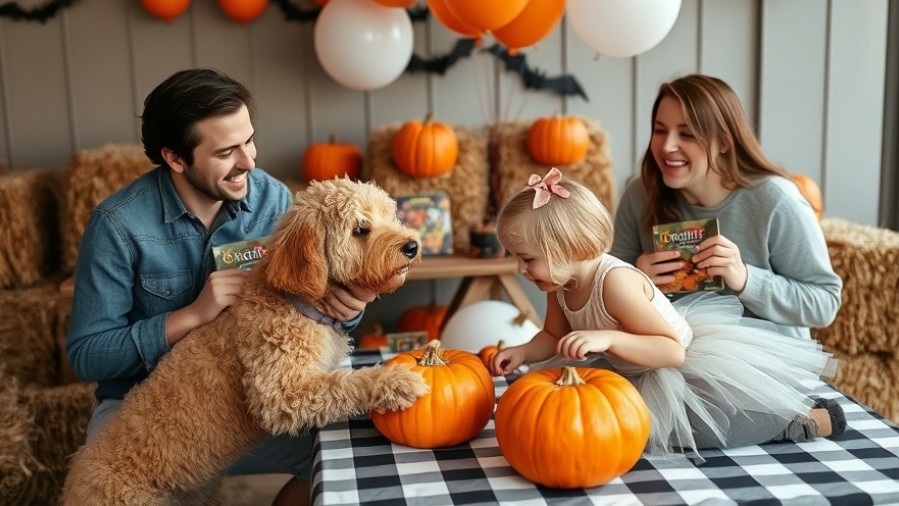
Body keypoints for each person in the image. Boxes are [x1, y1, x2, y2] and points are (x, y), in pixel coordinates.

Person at [66, 68, 374, 505]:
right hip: (146, 412)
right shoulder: (117, 226)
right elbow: (88, 356)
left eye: (249, 140)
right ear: (175, 158)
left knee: (351, 463)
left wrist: (348, 308)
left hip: (255, 396)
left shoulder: (274, 199)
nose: (249, 161)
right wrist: (192, 315)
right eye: (227, 151)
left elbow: (309, 297)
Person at [489, 167, 846, 458]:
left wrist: (607, 338)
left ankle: (795, 421)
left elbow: (670, 350)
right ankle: (771, 408)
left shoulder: (615, 284)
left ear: (565, 248)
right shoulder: (560, 283)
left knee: (689, 428)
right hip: (623, 366)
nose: (521, 269)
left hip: (673, 364)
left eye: (527, 259)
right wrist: (522, 351)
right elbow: (551, 336)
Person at [610, 73, 842, 340]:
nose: (667, 146)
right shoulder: (640, 193)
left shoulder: (777, 200)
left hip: (762, 359)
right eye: (660, 130)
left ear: (724, 142)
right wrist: (635, 278)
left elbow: (825, 303)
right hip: (672, 352)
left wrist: (745, 279)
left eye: (686, 134)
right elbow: (602, 292)